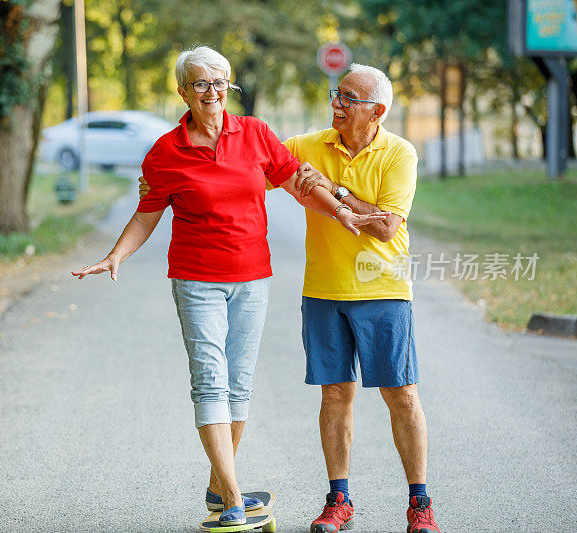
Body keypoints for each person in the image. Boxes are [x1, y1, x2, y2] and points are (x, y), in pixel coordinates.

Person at [71, 46, 387, 527]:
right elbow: (147, 212)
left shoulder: (256, 133)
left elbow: (301, 181)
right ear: (183, 91)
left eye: (221, 83)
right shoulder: (165, 151)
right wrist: (116, 255)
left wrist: (342, 209)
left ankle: (219, 487)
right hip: (196, 279)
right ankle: (234, 498)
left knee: (238, 385)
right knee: (210, 382)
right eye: (202, 83)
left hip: (252, 278)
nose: (213, 92)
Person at [141, 63, 441, 533]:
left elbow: (385, 226)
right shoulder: (306, 146)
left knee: (401, 395)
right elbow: (237, 172)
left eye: (349, 99)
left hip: (382, 289)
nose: (336, 104)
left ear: (376, 111)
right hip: (322, 291)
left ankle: (419, 506)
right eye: (335, 94)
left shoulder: (399, 153)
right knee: (335, 396)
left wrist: (332, 187)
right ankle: (338, 501)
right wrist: (162, 185)